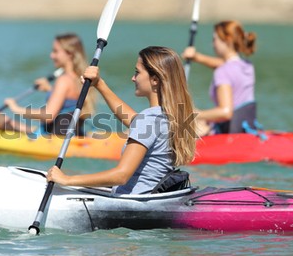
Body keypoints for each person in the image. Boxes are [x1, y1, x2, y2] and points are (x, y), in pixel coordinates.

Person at [47, 46, 196, 195]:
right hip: (148, 196)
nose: (133, 78)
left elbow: (121, 175)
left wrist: (67, 179)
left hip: (132, 202)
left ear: (155, 79)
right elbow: (131, 118)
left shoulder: (149, 120)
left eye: (137, 72)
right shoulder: (169, 116)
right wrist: (99, 84)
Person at [0, 33, 97, 137]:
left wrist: (16, 109)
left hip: (53, 138)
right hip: (72, 134)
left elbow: (48, 115)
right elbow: (68, 102)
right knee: (1, 120)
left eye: (55, 51)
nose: (51, 55)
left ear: (69, 53)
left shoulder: (64, 80)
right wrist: (50, 90)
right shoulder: (80, 79)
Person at [182, 20, 257, 135]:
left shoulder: (223, 72)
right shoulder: (247, 66)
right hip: (245, 127)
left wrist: (194, 114)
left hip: (228, 130)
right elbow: (225, 65)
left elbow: (225, 112)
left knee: (184, 124)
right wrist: (196, 57)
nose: (212, 44)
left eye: (214, 39)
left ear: (227, 40)